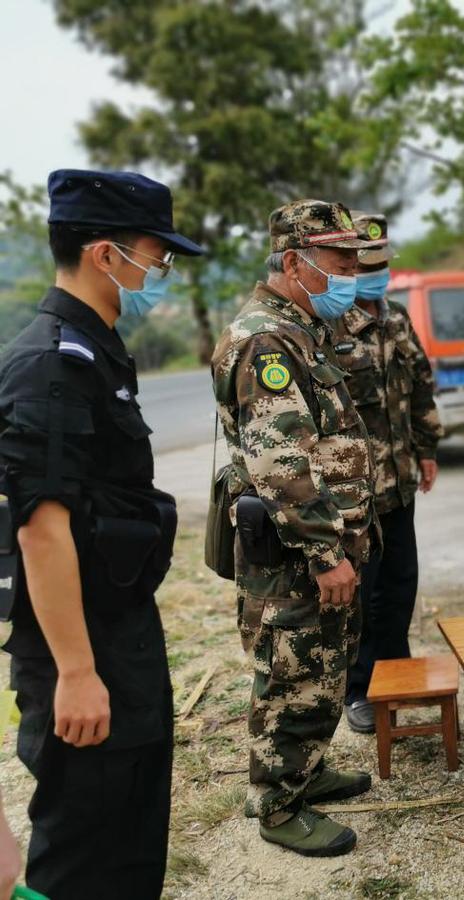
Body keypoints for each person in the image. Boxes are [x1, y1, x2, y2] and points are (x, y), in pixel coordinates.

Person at [0, 169, 203, 897]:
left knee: (128, 840)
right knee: (84, 851)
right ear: (104, 254)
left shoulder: (96, 351)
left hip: (120, 635)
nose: (162, 273)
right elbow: (41, 532)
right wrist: (78, 675)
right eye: (157, 255)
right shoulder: (51, 364)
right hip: (81, 655)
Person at [211, 199, 380, 857]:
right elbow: (280, 462)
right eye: (339, 265)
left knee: (321, 667)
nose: (351, 278)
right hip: (292, 553)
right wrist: (323, 549)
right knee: (291, 672)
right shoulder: (266, 341)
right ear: (294, 264)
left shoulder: (302, 328)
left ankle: (305, 771)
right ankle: (279, 806)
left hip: (318, 543)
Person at [335, 211, 443, 734]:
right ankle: (358, 689)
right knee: (363, 592)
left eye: (382, 264)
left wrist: (427, 448)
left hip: (399, 483)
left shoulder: (397, 317)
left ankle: (395, 677)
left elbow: (421, 383)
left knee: (401, 584)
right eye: (365, 264)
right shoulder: (329, 324)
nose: (375, 274)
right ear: (348, 264)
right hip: (356, 492)